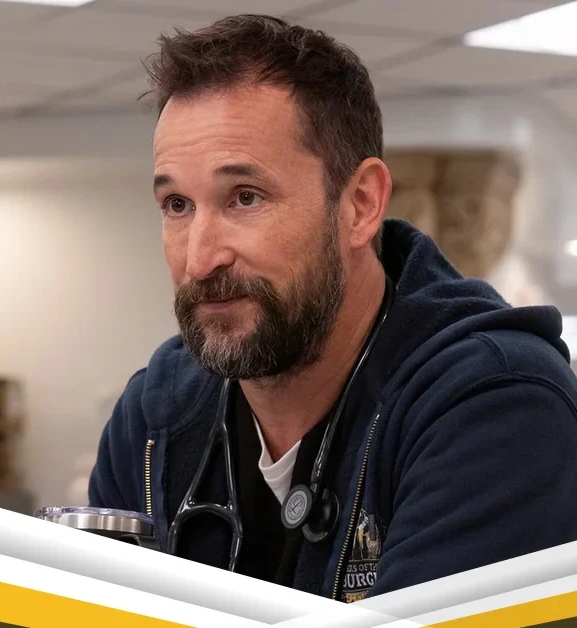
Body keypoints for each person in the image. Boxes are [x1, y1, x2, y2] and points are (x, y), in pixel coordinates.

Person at [88, 14, 577, 603]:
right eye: (177, 205)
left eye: (245, 197)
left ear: (360, 205)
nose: (200, 258)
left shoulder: (497, 405)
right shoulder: (156, 417)